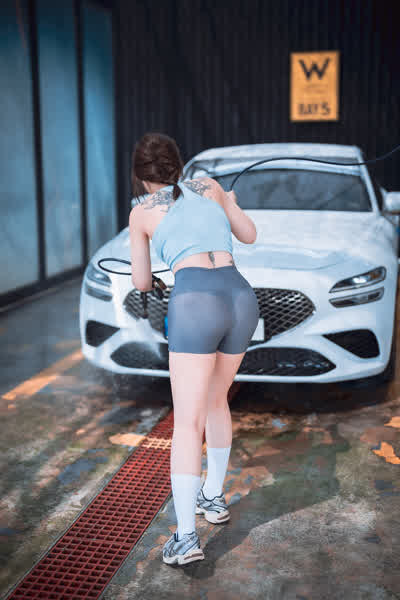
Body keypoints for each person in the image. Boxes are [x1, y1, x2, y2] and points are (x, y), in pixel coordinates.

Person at [129, 132, 260, 566]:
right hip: (240, 297)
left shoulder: (141, 211)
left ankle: (186, 538)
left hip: (195, 302)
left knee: (187, 423)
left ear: (140, 176)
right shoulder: (210, 186)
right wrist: (231, 202)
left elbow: (142, 282)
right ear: (179, 164)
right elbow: (249, 234)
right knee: (217, 400)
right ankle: (213, 497)